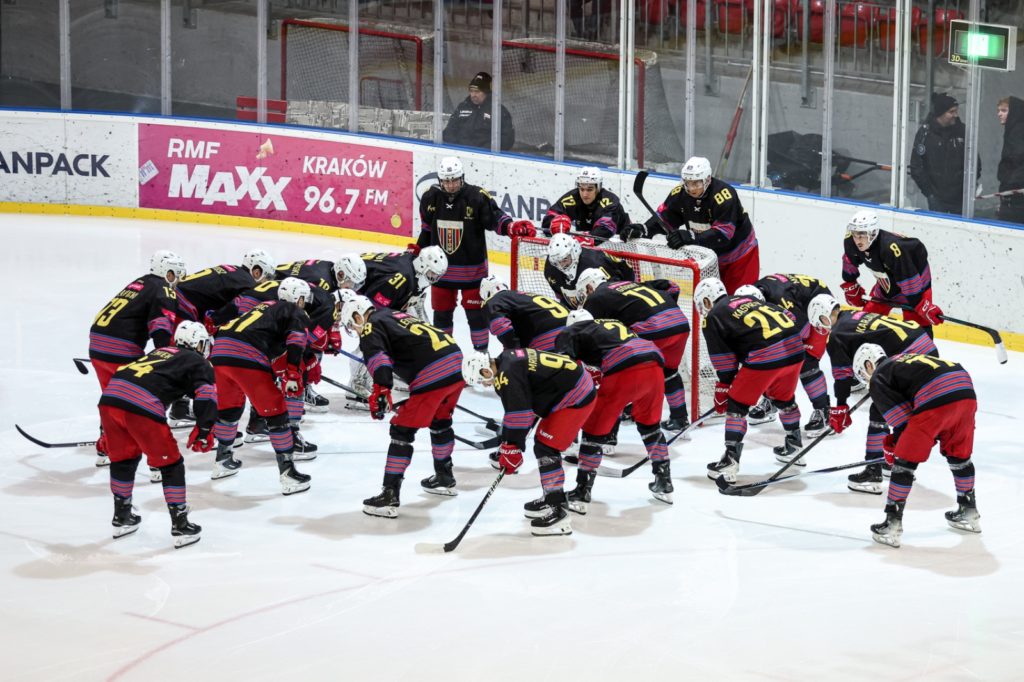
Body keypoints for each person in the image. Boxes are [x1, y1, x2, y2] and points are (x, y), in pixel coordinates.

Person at [341, 296, 466, 517]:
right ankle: (445, 477)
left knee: (401, 429)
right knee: (441, 421)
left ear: (358, 315)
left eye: (352, 325)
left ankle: (389, 494)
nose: (356, 330)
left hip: (433, 373)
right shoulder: (395, 314)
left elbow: (379, 359)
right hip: (457, 364)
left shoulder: (371, 326)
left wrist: (381, 390)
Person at [807, 294, 938, 494]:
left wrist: (840, 407)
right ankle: (892, 460)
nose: (822, 328)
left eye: (820, 323)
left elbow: (842, 377)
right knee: (897, 410)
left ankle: (873, 470)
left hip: (908, 357)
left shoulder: (838, 335)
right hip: (926, 348)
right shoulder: (855, 315)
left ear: (823, 316)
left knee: (879, 411)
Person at [98, 321, 213, 548]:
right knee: (171, 464)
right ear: (198, 344)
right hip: (141, 405)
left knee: (123, 460)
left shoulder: (158, 352)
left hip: (110, 400)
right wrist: (205, 427)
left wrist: (106, 433)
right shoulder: (198, 361)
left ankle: (122, 517)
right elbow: (206, 395)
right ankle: (180, 524)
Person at [852, 345, 980, 548]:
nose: (866, 379)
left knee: (904, 464)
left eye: (862, 373)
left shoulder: (879, 376)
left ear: (869, 364)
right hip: (965, 389)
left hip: (936, 395)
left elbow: (903, 422)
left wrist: (895, 447)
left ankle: (892, 525)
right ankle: (969, 512)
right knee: (959, 456)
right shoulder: (902, 359)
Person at [462, 348, 597, 536]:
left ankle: (558, 510)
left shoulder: (506, 376)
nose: (485, 385)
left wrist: (511, 448)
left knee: (546, 446)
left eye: (482, 380)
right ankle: (551, 497)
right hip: (572, 386)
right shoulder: (507, 359)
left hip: (575, 395)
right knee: (542, 443)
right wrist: (509, 445)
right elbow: (523, 408)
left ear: (486, 371)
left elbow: (519, 414)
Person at [554, 309, 673, 510]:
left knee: (593, 431)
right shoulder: (610, 326)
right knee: (650, 426)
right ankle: (664, 482)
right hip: (654, 365)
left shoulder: (571, 331)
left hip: (625, 369)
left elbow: (562, 368)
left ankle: (582, 492)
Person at [695, 277, 808, 483]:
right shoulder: (751, 300)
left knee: (737, 404)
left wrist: (725, 387)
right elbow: (790, 317)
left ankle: (730, 460)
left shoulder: (713, 316)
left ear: (706, 301)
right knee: (783, 398)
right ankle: (794, 446)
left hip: (767, 354)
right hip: (795, 348)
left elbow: (724, 361)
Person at [208, 277, 314, 495]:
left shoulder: (264, 307)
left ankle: (223, 459)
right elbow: (296, 340)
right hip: (246, 355)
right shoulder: (293, 310)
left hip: (220, 352)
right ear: (298, 298)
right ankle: (288, 473)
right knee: (277, 413)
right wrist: (293, 372)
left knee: (230, 408)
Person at [417, 156, 535, 350]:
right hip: (440, 272)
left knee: (476, 316)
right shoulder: (431, 197)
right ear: (440, 180)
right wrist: (417, 251)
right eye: (446, 181)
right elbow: (427, 230)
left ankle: (481, 355)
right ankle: (445, 355)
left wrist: (511, 226)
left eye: (454, 180)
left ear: (462, 178)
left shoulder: (476, 196)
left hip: (473, 272)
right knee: (442, 315)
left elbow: (495, 219)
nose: (451, 185)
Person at [88, 250, 183, 466]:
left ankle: (107, 446)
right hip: (121, 349)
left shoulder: (138, 283)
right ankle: (158, 461)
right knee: (143, 401)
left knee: (113, 398)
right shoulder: (163, 289)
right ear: (168, 273)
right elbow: (161, 326)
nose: (177, 280)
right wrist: (166, 359)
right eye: (176, 274)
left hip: (97, 345)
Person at [577, 268, 691, 431]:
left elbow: (589, 331)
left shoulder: (596, 297)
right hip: (680, 324)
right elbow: (671, 286)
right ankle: (679, 418)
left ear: (589, 286)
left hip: (653, 330)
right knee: (669, 372)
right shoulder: (629, 284)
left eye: (584, 292)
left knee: (627, 368)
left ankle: (615, 428)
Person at [172, 249, 278, 422]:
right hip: (184, 307)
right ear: (257, 271)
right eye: (266, 277)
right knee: (190, 358)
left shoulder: (233, 270)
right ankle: (184, 409)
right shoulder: (248, 283)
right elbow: (236, 311)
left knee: (187, 357)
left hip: (178, 303)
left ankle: (180, 409)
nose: (266, 283)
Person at [734, 274, 833, 437]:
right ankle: (771, 401)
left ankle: (824, 412)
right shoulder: (749, 297)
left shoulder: (780, 300)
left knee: (807, 362)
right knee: (768, 354)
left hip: (817, 303)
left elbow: (803, 332)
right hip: (796, 302)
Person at [645, 156, 759, 293]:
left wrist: (692, 237)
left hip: (740, 256)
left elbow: (723, 234)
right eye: (688, 183)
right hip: (708, 260)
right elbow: (664, 219)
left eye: (697, 183)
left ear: (707, 179)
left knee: (740, 299)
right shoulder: (680, 194)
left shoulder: (724, 195)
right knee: (710, 301)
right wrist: (644, 229)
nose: (692, 189)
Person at [840, 209, 943, 335]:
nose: (857, 240)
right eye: (855, 234)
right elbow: (849, 260)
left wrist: (921, 304)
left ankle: (923, 351)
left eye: (861, 235)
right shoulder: (851, 241)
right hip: (887, 284)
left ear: (872, 233)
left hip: (916, 282)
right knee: (865, 322)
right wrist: (850, 284)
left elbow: (909, 279)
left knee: (917, 328)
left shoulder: (891, 249)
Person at [909, 92, 979, 216]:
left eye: (956, 111)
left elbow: (974, 162)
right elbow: (916, 166)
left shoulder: (963, 131)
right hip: (937, 198)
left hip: (960, 199)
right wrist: (929, 193)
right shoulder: (925, 133)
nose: (955, 115)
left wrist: (969, 187)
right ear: (940, 114)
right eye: (951, 112)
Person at [541, 166, 641, 241]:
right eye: (582, 189)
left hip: (621, 242)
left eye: (589, 189)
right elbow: (548, 219)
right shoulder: (573, 198)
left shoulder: (609, 200)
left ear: (598, 188)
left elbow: (605, 229)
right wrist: (554, 223)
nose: (584, 194)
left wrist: (583, 240)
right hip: (589, 241)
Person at [544, 233, 635, 308]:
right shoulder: (551, 268)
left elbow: (625, 275)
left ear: (574, 251)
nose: (561, 266)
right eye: (557, 262)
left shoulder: (596, 264)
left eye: (564, 260)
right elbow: (561, 296)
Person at [480, 275, 569, 352]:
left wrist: (514, 353)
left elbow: (499, 325)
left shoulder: (492, 301)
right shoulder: (523, 295)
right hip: (573, 328)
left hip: (549, 337)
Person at [442, 71, 515, 152]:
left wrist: (487, 151)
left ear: (486, 92)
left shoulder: (498, 111)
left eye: (477, 91)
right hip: (460, 152)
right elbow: (449, 130)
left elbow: (507, 139)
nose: (473, 95)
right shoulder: (462, 107)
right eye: (471, 91)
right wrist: (456, 147)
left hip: (485, 156)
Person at [996, 96, 1024, 224]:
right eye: (998, 110)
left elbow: (1016, 162)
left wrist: (1009, 186)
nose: (999, 114)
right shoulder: (1012, 131)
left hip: (1016, 201)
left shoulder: (1018, 132)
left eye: (1004, 110)